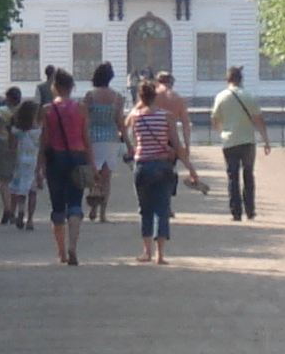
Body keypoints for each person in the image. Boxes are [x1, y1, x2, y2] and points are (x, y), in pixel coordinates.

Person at [127, 80, 185, 266]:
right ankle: (160, 255)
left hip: (142, 164)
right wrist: (190, 169)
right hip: (163, 165)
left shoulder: (136, 116)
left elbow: (128, 132)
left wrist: (138, 105)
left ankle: (146, 252)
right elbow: (176, 143)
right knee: (162, 209)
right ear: (155, 97)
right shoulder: (166, 116)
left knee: (144, 210)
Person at [38, 67, 89, 267]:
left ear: (54, 87)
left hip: (55, 160)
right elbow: (86, 138)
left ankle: (61, 252)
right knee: (75, 204)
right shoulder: (81, 108)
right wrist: (92, 164)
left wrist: (39, 167)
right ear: (72, 87)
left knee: (58, 206)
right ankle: (73, 247)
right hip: (77, 157)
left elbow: (45, 140)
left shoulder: (47, 110)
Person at [211, 65, 271, 220]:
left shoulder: (221, 97)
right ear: (241, 79)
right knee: (248, 175)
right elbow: (259, 120)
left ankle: (235, 212)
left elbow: (215, 118)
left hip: (229, 141)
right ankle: (250, 210)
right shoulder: (249, 96)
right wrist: (265, 140)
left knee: (232, 177)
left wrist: (222, 132)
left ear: (227, 79)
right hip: (247, 141)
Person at [81, 62, 127, 222]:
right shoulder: (117, 97)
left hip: (92, 138)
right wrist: (128, 143)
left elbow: (85, 120)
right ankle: (103, 213)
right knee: (107, 178)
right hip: (110, 139)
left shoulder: (90, 96)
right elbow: (120, 122)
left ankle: (92, 206)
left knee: (94, 175)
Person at [4, 99, 42, 231]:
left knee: (20, 189)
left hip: (21, 162)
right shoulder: (38, 131)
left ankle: (20, 210)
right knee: (32, 192)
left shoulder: (16, 130)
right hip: (34, 162)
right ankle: (30, 219)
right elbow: (43, 148)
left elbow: (12, 147)